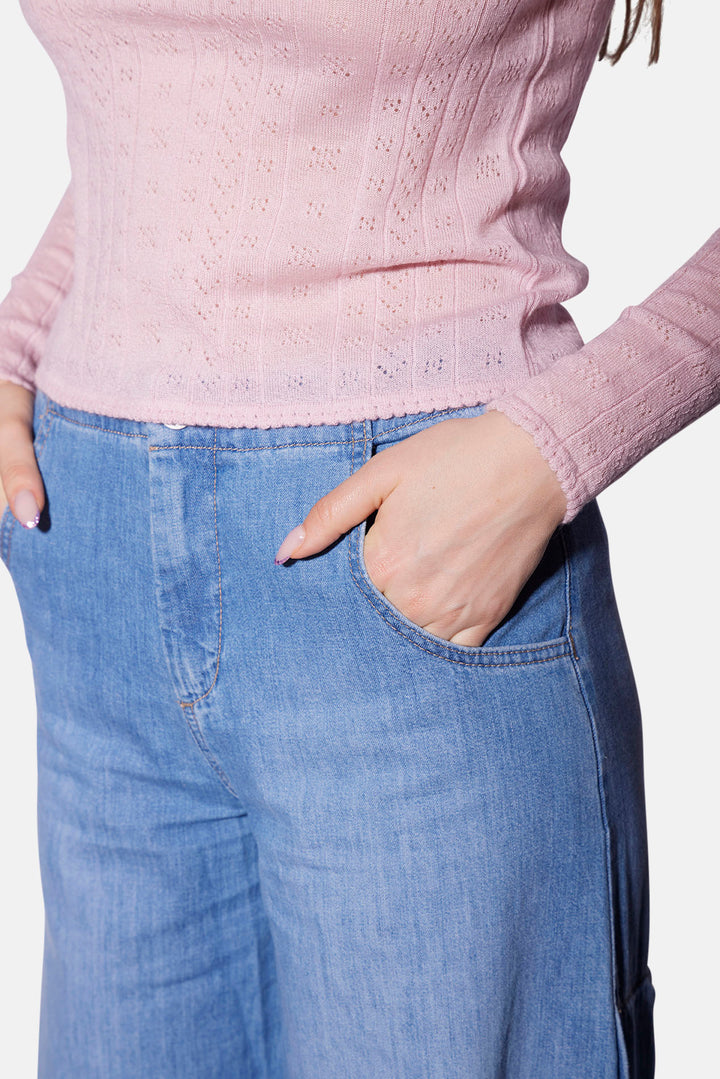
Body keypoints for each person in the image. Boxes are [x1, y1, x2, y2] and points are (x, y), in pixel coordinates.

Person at [0, 0, 716, 1075]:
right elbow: (196, 103)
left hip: (409, 587)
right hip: (94, 582)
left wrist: (555, 444)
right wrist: (18, 343)